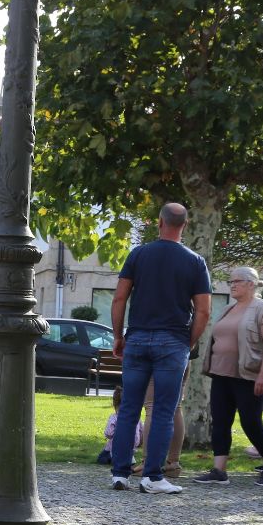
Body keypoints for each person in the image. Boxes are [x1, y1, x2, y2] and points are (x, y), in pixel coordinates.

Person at [109, 203, 211, 494]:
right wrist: (188, 342)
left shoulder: (139, 254)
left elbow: (119, 299)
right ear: (186, 225)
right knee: (164, 410)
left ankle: (119, 473)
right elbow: (203, 311)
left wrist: (119, 336)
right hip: (173, 339)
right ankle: (152, 476)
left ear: (159, 222)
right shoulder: (195, 261)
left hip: (138, 337)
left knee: (129, 407)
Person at [194, 267, 263, 485]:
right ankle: (219, 471)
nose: (232, 285)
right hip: (221, 373)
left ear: (251, 284)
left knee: (251, 422)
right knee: (220, 421)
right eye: (230, 281)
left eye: (237, 281)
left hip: (249, 375)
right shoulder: (228, 309)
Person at [98, 387, 143, 466]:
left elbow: (109, 433)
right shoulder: (137, 418)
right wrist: (139, 442)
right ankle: (129, 458)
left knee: (101, 458)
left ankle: (114, 458)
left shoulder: (114, 417)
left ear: (115, 404)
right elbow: (141, 431)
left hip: (115, 447)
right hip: (132, 446)